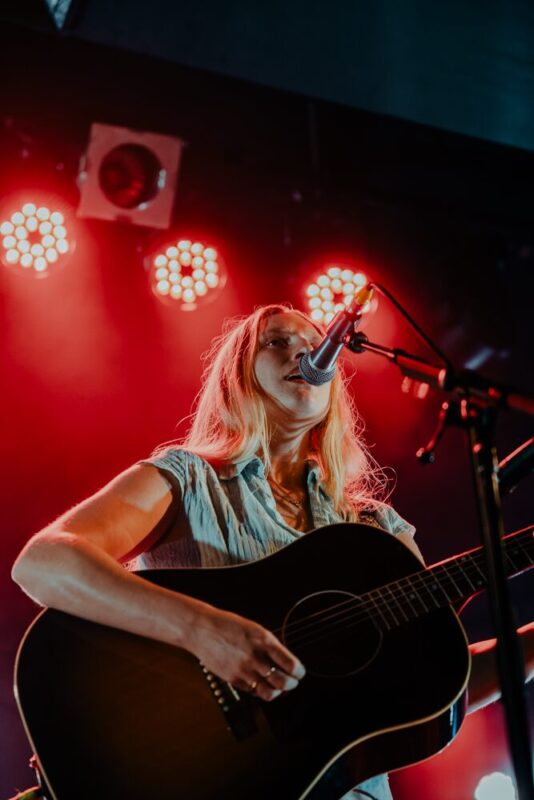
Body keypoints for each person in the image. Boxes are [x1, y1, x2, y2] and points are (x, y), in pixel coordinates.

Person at [12, 303, 534, 800]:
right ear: (237, 376)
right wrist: (202, 630)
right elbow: (44, 562)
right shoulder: (188, 479)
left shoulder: (377, 528)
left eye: (314, 342)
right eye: (277, 342)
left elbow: (436, 687)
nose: (304, 351)